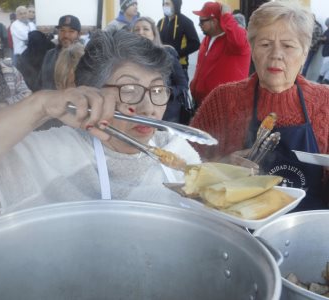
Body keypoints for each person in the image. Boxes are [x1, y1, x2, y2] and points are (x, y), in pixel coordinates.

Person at [0, 30, 201, 224]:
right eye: (129, 90)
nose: (149, 108)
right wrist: (38, 105)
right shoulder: (54, 152)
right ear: (92, 92)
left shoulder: (176, 151)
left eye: (158, 90)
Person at [190, 0, 329, 211]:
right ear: (252, 49)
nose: (276, 54)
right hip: (240, 227)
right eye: (265, 44)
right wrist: (222, 167)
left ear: (304, 54)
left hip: (307, 228)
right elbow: (188, 167)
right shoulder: (224, 99)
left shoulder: (325, 101)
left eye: (288, 45)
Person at [190, 1, 251, 108]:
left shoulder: (234, 40)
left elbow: (239, 41)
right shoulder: (207, 38)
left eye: (202, 21)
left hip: (224, 108)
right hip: (201, 103)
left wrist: (227, 16)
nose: (199, 24)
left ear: (214, 21)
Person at [132, 16, 193, 124]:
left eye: (146, 29)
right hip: (139, 113)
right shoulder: (127, 58)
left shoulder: (167, 53)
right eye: (136, 30)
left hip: (167, 115)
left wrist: (167, 92)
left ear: (154, 33)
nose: (140, 32)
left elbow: (182, 84)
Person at [157, 0, 200, 80]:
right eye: (163, 4)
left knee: (179, 92)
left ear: (175, 4)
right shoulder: (161, 22)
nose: (164, 6)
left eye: (167, 4)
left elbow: (195, 43)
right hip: (162, 67)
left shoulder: (186, 22)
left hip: (179, 67)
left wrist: (177, 54)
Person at [39, 15, 81, 90]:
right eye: (62, 30)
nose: (66, 35)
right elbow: (41, 81)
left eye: (71, 31)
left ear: (79, 34)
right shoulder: (50, 54)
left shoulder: (84, 57)